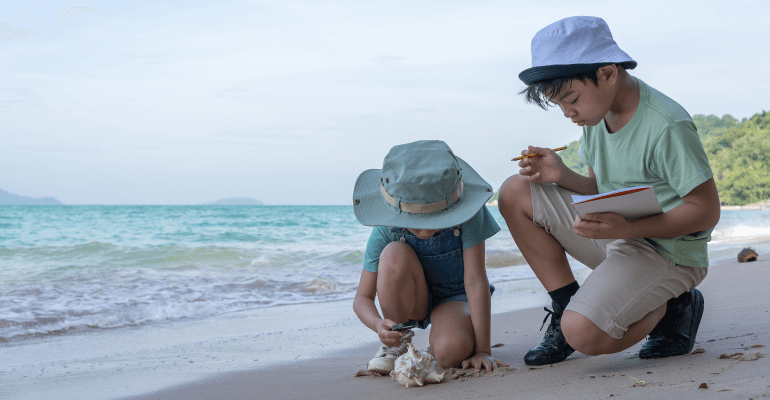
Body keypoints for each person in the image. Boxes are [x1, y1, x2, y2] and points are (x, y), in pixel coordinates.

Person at [498, 16, 720, 366]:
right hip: (620, 235)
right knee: (514, 191)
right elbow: (601, 190)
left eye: (571, 99)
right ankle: (565, 306)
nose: (568, 113)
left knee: (584, 334)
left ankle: (674, 306)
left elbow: (706, 212)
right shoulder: (597, 113)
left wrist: (628, 230)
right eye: (559, 105)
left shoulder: (667, 125)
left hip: (668, 252)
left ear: (607, 73)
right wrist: (561, 174)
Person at [351, 140, 508, 374]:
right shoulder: (386, 227)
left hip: (456, 297)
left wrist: (483, 350)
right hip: (412, 299)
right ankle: (398, 346)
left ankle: (437, 345)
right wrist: (378, 325)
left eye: (434, 221)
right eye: (416, 223)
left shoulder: (469, 216)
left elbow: (475, 281)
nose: (424, 232)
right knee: (394, 252)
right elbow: (362, 298)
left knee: (448, 354)